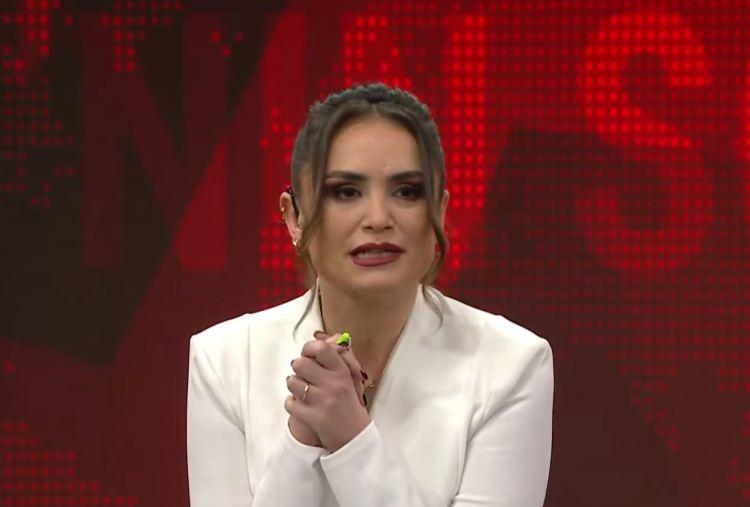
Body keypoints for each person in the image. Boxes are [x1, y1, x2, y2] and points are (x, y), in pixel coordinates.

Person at [186, 82, 553, 506]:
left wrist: (350, 440)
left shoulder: (511, 364)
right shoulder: (224, 360)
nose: (378, 218)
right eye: (346, 192)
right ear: (294, 218)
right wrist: (301, 442)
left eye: (407, 192)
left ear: (439, 211)